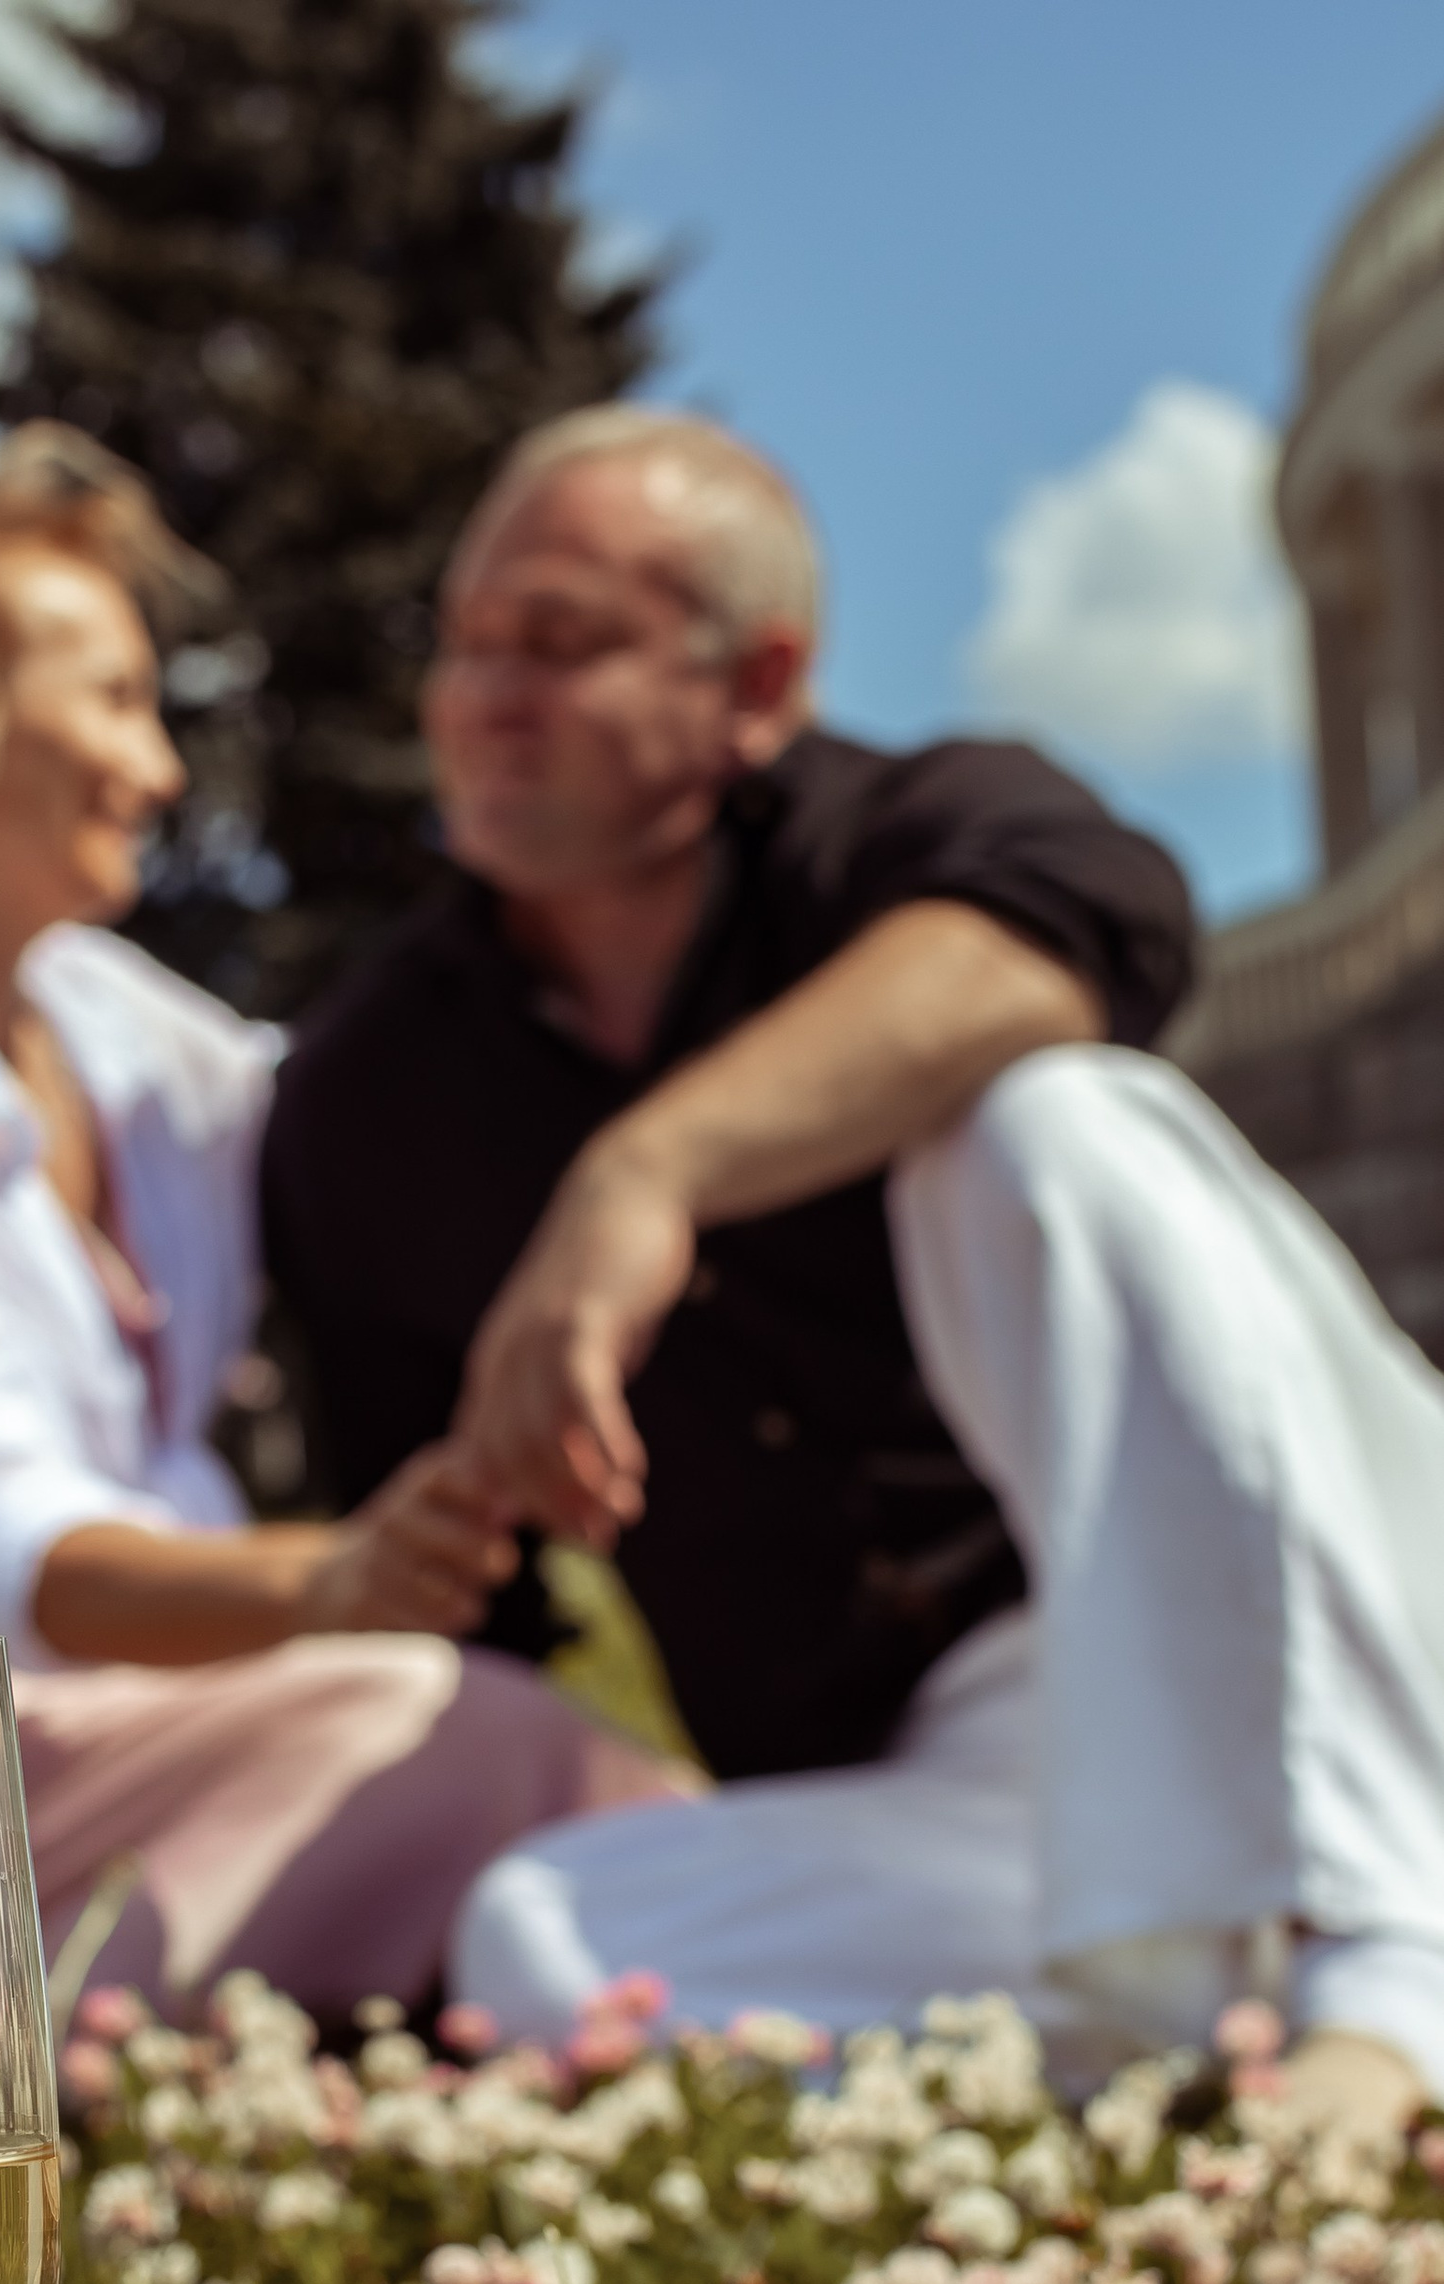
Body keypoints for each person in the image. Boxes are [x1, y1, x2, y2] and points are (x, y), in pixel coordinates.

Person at [263, 407, 1444, 2135]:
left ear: (757, 685)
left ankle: (1381, 1972)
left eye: (562, 641)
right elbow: (460, 1589)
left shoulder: (912, 832)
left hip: (1325, 1612)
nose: (482, 697)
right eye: (465, 643)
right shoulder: (371, 1100)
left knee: (1046, 1121)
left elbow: (1080, 922)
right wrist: (423, 1544)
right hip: (969, 1778)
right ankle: (1197, 2033)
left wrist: (648, 1169)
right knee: (542, 1946)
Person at [0, 429, 682, 2028]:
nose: (160, 767)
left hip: (107, 1735)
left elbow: (344, 1135)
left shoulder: (114, 1034)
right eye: (113, 700)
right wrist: (324, 1582)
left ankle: (297, 1986)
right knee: (438, 1722)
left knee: (449, 1737)